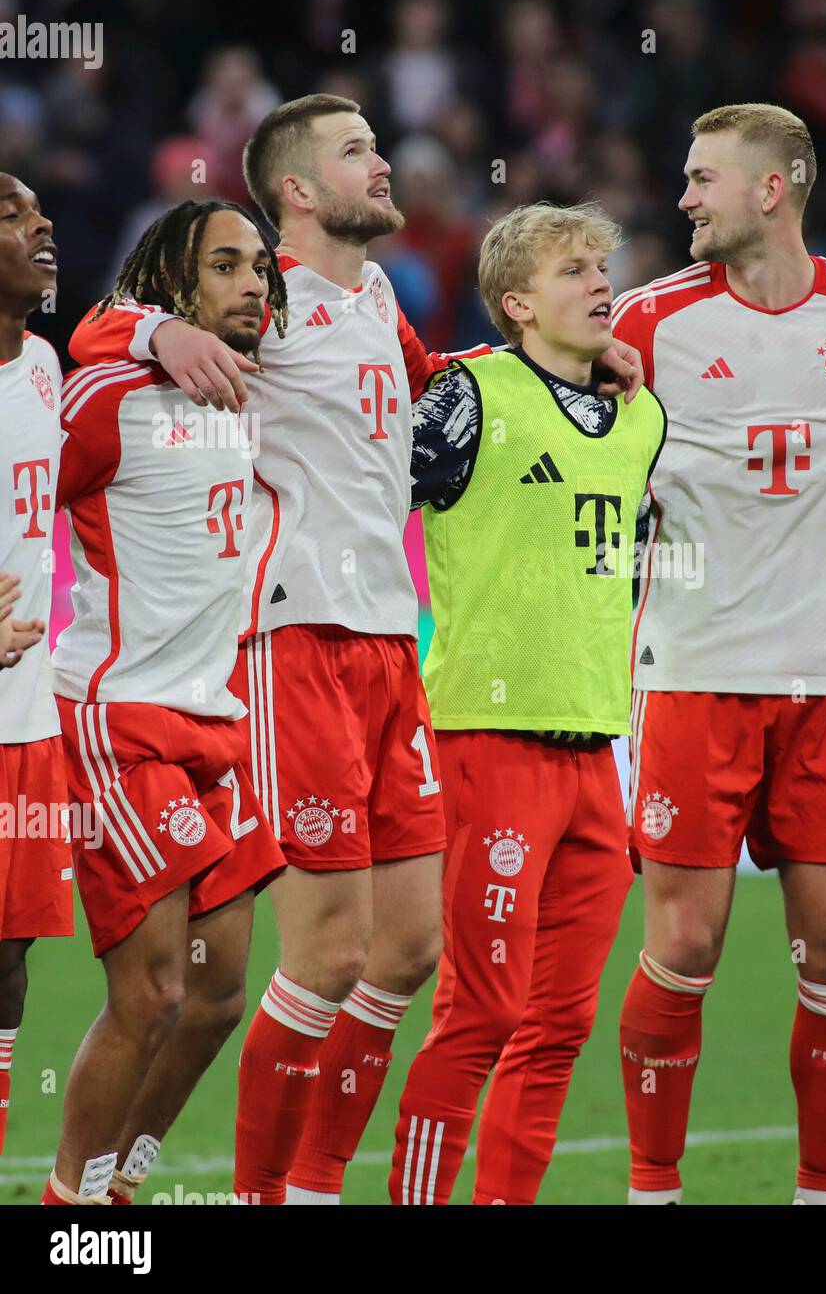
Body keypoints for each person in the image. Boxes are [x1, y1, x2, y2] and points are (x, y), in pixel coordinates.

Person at [68, 94, 643, 1204]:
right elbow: (98, 331)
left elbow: (442, 383)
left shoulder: (380, 293)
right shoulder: (256, 299)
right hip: (294, 641)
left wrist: (570, 358)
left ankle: (317, 1183)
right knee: (325, 957)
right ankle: (256, 1193)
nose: (381, 164)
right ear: (295, 190)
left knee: (409, 953)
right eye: (355, 152)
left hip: (390, 644)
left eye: (377, 145)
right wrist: (160, 330)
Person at [610, 104, 826, 1204]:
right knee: (686, 945)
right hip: (692, 674)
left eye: (702, 178)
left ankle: (818, 1194)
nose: (683, 199)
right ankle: (652, 1189)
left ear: (772, 189)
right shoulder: (647, 321)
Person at [389, 201, 665, 1205]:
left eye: (603, 264)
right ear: (515, 304)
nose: (600, 282)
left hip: (597, 752)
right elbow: (362, 498)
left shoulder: (640, 413)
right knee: (481, 1014)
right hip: (486, 740)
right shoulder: (468, 396)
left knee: (559, 1027)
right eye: (572, 270)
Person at [43, 200, 287, 1205]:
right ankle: (68, 1208)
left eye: (260, 268)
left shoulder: (259, 382)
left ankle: (116, 1188)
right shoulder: (106, 395)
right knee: (152, 995)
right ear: (171, 284)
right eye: (224, 266)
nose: (253, 285)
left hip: (216, 720)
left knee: (219, 996)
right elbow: (23, 483)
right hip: (121, 720)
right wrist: (146, 328)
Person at [0, 173, 74, 1159]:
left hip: (26, 720)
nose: (39, 223)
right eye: (9, 215)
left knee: (8, 963)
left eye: (38, 210)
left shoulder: (49, 366)